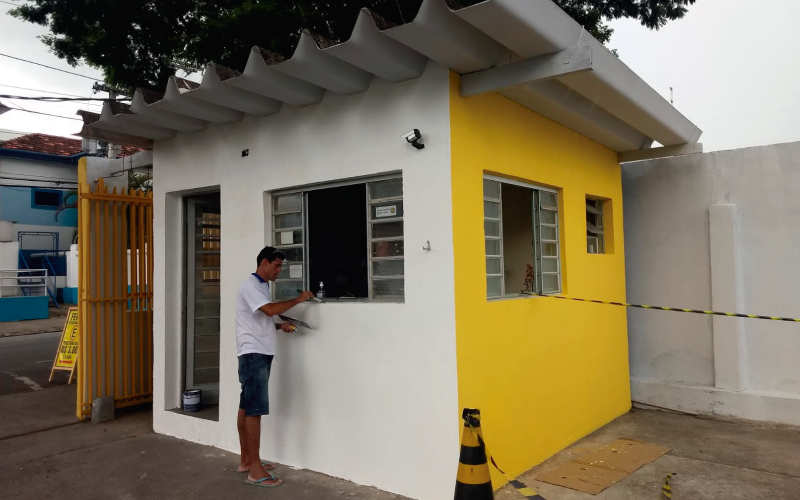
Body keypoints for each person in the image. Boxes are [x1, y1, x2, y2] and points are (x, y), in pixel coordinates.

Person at [235, 245, 313, 488]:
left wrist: (280, 327)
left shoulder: (262, 286)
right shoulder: (250, 285)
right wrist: (298, 299)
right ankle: (255, 470)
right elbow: (269, 311)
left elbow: (259, 319)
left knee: (247, 406)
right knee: (254, 410)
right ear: (264, 263)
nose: (279, 270)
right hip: (254, 354)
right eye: (277, 266)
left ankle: (247, 460)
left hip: (257, 352)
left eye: (281, 266)